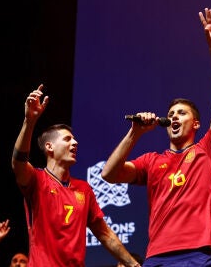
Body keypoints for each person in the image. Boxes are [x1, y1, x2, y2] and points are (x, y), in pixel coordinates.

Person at [101, 7, 211, 267]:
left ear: (196, 123)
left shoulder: (209, 149)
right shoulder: (151, 161)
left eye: (181, 113)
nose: (174, 117)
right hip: (158, 256)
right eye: (171, 113)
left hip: (201, 254)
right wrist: (135, 133)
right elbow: (109, 174)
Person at [11, 85, 140, 267]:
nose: (75, 142)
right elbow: (18, 162)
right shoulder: (37, 180)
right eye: (67, 139)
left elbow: (104, 234)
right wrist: (29, 122)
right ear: (49, 147)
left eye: (74, 139)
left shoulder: (84, 189)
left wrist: (133, 265)